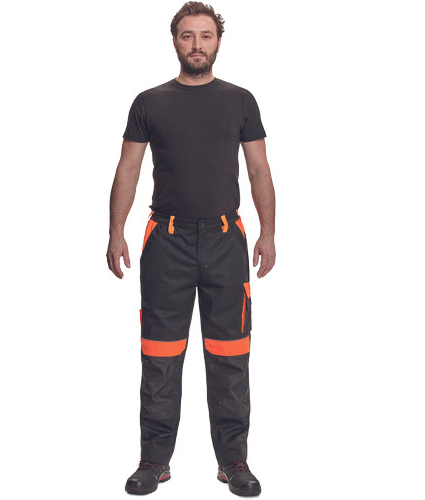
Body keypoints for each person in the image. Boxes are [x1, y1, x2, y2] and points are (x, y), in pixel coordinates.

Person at [106, 1, 276, 496]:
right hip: (167, 241)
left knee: (230, 355)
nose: (197, 44)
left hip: (226, 240)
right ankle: (154, 461)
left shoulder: (241, 101)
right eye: (187, 36)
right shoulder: (149, 102)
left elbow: (259, 170)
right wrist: (116, 232)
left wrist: (268, 233)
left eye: (205, 35)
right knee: (160, 355)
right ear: (175, 41)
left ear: (218, 41)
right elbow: (128, 169)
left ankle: (234, 461)